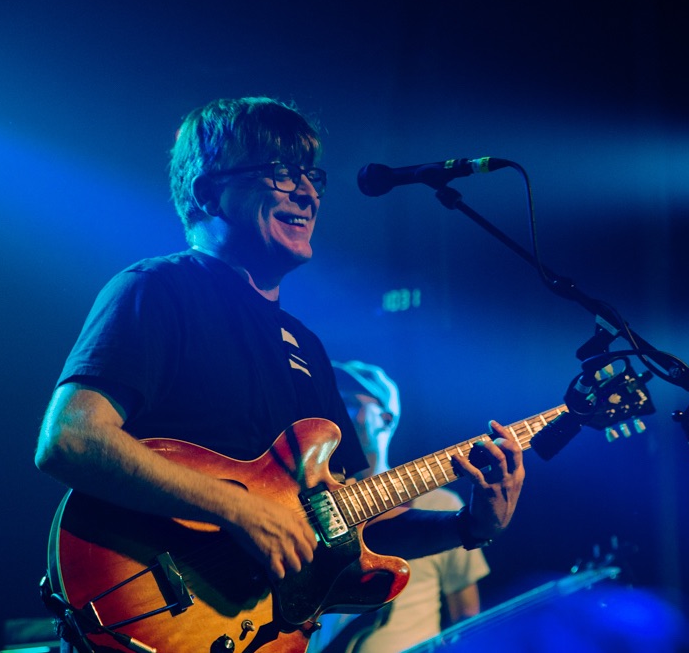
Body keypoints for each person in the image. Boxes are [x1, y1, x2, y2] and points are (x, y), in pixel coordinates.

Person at [33, 96, 524, 652]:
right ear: (208, 192)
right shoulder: (157, 290)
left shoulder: (306, 347)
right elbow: (70, 439)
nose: (308, 193)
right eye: (280, 173)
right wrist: (237, 509)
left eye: (312, 177)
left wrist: (469, 527)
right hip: (150, 614)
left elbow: (354, 523)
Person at [306, 360, 490, 653]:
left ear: (386, 418)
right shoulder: (314, 506)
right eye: (335, 404)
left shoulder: (440, 505)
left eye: (350, 403)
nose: (337, 414)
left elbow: (466, 618)